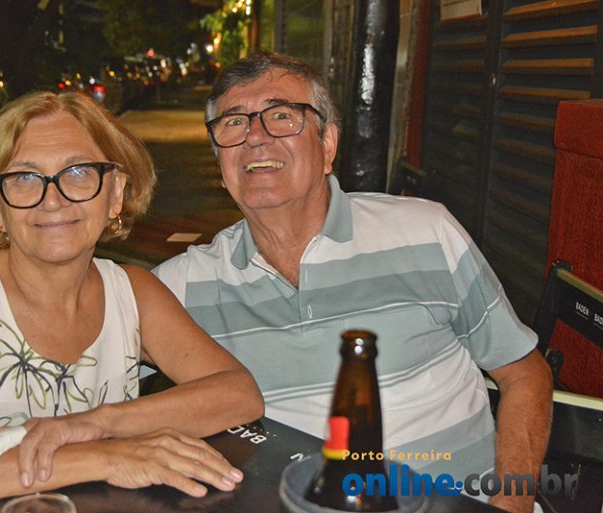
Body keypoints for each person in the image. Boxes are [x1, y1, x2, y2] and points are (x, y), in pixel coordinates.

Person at [152, 52, 552, 513]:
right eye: (234, 123)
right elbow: (88, 349)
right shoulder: (183, 285)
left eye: (282, 116)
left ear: (327, 145)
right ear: (220, 162)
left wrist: (511, 502)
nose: (255, 137)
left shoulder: (426, 233)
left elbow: (523, 372)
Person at [0, 90, 263, 506]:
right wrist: (105, 457)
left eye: (78, 172)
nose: (52, 199)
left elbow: (239, 394)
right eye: (24, 178)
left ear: (116, 194)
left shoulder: (133, 293)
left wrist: (95, 423)